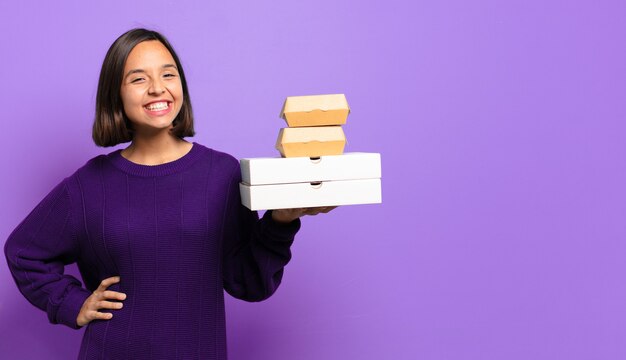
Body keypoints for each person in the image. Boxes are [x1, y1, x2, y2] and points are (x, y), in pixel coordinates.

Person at [4, 28, 334, 359]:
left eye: (168, 74)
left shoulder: (222, 173)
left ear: (181, 86)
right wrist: (73, 303)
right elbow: (23, 251)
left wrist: (280, 222)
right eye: (138, 79)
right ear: (115, 94)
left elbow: (248, 282)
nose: (157, 88)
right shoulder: (90, 184)